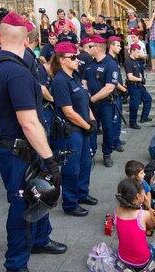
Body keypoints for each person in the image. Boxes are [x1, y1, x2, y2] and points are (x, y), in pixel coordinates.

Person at [0, 12, 66, 272]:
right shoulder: (18, 72)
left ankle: (41, 239)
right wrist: (49, 159)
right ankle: (16, 264)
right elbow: (29, 122)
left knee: (39, 195)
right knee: (22, 205)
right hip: (21, 150)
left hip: (10, 146)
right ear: (27, 40)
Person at [50, 41, 97, 217]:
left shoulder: (75, 76)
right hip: (71, 132)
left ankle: (82, 194)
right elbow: (68, 112)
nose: (77, 60)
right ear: (62, 60)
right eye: (73, 57)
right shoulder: (60, 81)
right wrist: (87, 126)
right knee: (71, 168)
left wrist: (91, 121)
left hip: (83, 129)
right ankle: (70, 203)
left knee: (85, 163)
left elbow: (84, 101)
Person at [114, 178, 155, 272]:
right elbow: (151, 226)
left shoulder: (117, 211)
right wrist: (148, 206)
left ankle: (124, 265)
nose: (145, 194)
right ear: (138, 196)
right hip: (142, 260)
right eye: (143, 192)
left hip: (122, 256)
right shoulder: (143, 215)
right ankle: (148, 268)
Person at [82, 35, 119, 167]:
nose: (88, 48)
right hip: (91, 104)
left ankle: (107, 153)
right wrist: (86, 94)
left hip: (105, 104)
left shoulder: (110, 64)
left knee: (108, 129)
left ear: (97, 48)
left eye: (90, 46)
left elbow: (109, 88)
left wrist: (93, 98)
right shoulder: (89, 64)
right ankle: (91, 152)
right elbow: (84, 82)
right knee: (91, 128)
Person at [124, 42, 152, 129]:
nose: (139, 54)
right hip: (133, 86)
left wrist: (141, 78)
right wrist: (140, 79)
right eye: (137, 52)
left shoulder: (136, 61)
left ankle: (144, 117)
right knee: (134, 105)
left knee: (148, 99)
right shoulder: (128, 62)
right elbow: (130, 77)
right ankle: (132, 123)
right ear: (132, 51)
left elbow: (139, 72)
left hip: (139, 86)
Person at [107, 36, 128, 152]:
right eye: (118, 45)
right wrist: (124, 90)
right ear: (111, 46)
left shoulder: (114, 59)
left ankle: (117, 139)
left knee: (118, 119)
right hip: (113, 95)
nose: (120, 48)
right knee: (114, 120)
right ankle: (114, 142)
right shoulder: (109, 60)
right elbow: (113, 81)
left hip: (118, 93)